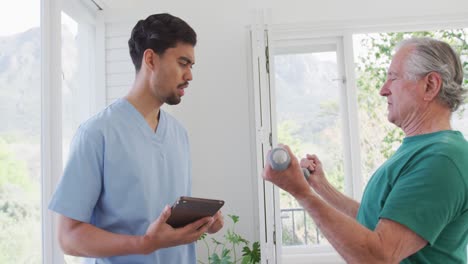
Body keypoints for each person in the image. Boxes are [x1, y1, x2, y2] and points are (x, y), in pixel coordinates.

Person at [263, 37, 468, 263]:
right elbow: (372, 221)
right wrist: (322, 188)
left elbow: (379, 256)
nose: (383, 90)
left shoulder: (441, 160)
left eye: (393, 77)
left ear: (430, 85)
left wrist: (301, 192)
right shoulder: (425, 150)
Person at [49, 13, 224, 264]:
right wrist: (144, 244)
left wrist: (201, 222)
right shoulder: (96, 134)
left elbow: (166, 221)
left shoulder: (178, 134)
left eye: (191, 66)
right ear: (151, 59)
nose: (189, 76)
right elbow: (68, 237)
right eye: (183, 63)